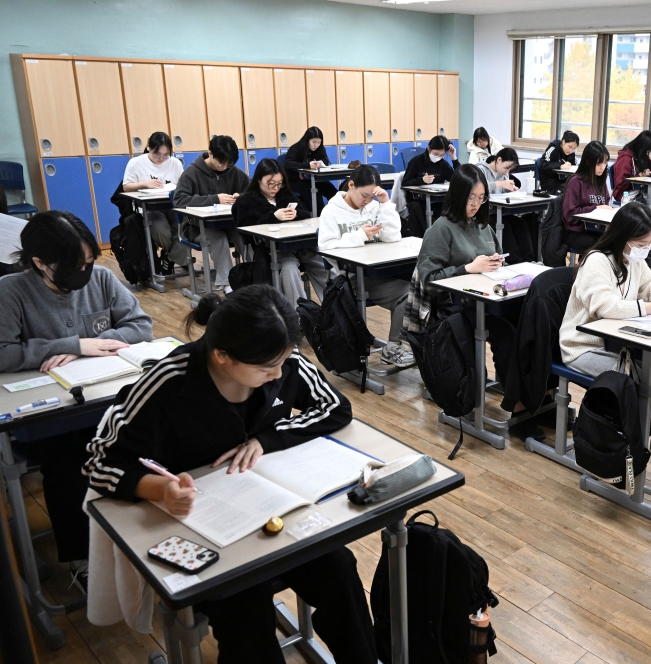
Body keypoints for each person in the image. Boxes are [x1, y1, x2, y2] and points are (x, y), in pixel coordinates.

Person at [83, 285, 377, 662]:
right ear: (222, 355)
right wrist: (158, 489)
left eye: (283, 361)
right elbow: (98, 462)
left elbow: (335, 407)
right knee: (245, 609)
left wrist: (268, 439)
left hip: (269, 513)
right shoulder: (169, 383)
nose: (277, 375)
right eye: (266, 368)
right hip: (200, 524)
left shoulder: (284, 362)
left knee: (339, 569)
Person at [0, 211, 153, 590]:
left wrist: (92, 349)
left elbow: (141, 325)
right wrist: (72, 345)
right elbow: (2, 352)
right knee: (71, 462)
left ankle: (141, 536)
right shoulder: (11, 291)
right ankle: (83, 558)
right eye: (75, 264)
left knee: (143, 444)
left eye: (88, 260)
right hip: (49, 417)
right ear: (39, 263)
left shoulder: (100, 279)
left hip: (107, 401)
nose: (85, 270)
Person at [410, 164, 537, 437]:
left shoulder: (482, 226)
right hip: (454, 308)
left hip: (487, 300)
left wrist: (496, 265)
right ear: (457, 195)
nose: (476, 204)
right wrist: (467, 269)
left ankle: (537, 399)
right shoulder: (440, 230)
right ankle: (517, 406)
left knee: (529, 325)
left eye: (481, 198)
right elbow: (429, 278)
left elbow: (497, 257)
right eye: (471, 198)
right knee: (506, 335)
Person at [560, 203, 651, 408]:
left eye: (650, 243)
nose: (646, 249)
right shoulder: (597, 261)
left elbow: (650, 283)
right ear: (622, 237)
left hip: (616, 342)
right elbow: (606, 307)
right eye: (641, 244)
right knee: (631, 377)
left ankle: (637, 427)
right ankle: (623, 430)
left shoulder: (633, 259)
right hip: (584, 346)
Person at [319, 165, 413, 368]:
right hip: (348, 280)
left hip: (374, 273)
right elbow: (326, 247)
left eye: (372, 196)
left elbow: (393, 237)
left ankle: (394, 346)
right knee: (405, 292)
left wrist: (385, 204)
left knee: (408, 292)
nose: (367, 201)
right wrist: (360, 235)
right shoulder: (331, 211)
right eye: (364, 195)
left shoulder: (373, 206)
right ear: (351, 185)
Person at [233, 158, 329, 303]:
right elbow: (246, 230)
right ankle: (300, 314)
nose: (275, 188)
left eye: (279, 184)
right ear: (259, 179)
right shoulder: (246, 201)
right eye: (271, 184)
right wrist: (273, 216)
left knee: (322, 263)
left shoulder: (286, 196)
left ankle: (334, 309)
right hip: (272, 250)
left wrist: (296, 214)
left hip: (300, 246)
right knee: (289, 267)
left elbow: (306, 216)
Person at [174, 135, 250, 293]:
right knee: (219, 238)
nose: (224, 167)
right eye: (221, 163)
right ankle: (227, 284)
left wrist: (241, 197)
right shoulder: (192, 173)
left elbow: (252, 189)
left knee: (245, 235)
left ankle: (255, 275)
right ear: (210, 153)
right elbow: (180, 200)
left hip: (229, 224)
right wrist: (214, 199)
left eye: (229, 163)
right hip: (196, 227)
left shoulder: (232, 170)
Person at [121, 132, 185, 272]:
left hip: (173, 206)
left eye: (166, 154)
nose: (161, 158)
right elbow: (126, 187)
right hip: (150, 208)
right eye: (157, 154)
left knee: (184, 231)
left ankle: (169, 257)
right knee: (161, 232)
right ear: (148, 148)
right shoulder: (136, 163)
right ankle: (177, 256)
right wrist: (144, 184)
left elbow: (183, 185)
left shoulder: (175, 163)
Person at [474, 148, 536, 264]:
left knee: (520, 223)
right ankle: (515, 262)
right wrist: (501, 184)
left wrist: (512, 191)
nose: (507, 171)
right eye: (506, 167)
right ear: (499, 159)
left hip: (499, 212)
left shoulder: (503, 174)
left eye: (510, 169)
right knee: (505, 227)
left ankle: (528, 260)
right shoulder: (481, 169)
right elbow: (478, 186)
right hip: (485, 213)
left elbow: (502, 192)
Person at [400, 135, 460, 237]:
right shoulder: (416, 161)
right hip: (419, 200)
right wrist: (421, 180)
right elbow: (405, 182)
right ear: (428, 148)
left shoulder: (443, 164)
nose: (438, 157)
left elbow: (458, 179)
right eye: (436, 154)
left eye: (442, 155)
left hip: (439, 200)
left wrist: (454, 158)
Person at [561, 141, 612, 254]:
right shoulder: (576, 182)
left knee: (619, 243)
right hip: (576, 233)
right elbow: (569, 214)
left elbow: (605, 206)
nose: (602, 167)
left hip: (597, 230)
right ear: (588, 162)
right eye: (599, 164)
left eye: (605, 163)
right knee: (602, 248)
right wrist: (595, 208)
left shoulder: (601, 181)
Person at [612, 130, 651, 210]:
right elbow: (621, 183)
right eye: (647, 150)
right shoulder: (625, 159)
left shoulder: (641, 156)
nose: (648, 153)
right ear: (642, 147)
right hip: (625, 193)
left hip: (639, 191)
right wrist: (639, 175)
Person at [284, 127, 337, 213]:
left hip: (314, 178)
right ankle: (320, 217)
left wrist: (320, 163)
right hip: (295, 180)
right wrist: (307, 165)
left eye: (319, 142)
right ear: (307, 140)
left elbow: (325, 161)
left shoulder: (320, 148)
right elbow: (288, 163)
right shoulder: (297, 148)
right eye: (313, 142)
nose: (316, 145)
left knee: (332, 191)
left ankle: (337, 214)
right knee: (315, 194)